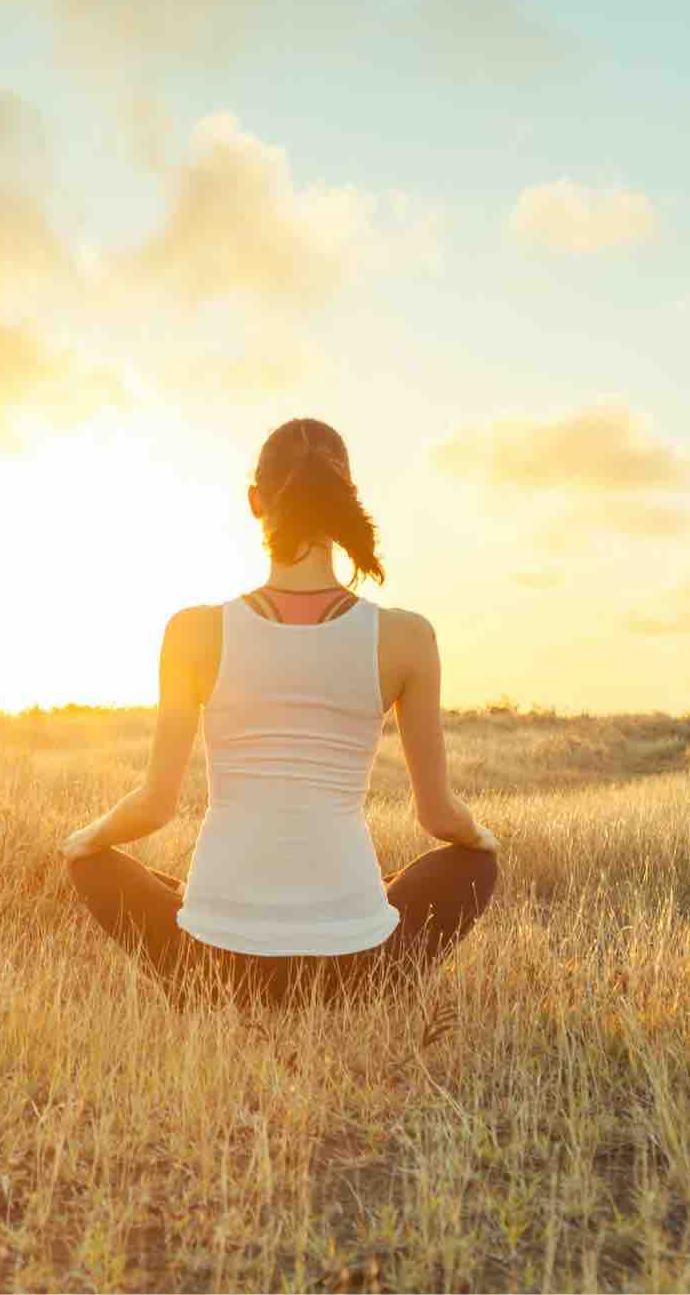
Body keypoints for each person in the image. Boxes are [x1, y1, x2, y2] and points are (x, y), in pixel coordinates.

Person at [60, 417, 500, 1008]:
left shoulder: (193, 631)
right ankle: (362, 974)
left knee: (97, 865)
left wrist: (84, 842)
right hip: (353, 967)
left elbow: (155, 806)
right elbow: (440, 816)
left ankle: (206, 986)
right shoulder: (406, 637)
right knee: (473, 864)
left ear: (254, 502)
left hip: (215, 963)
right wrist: (483, 839)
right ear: (346, 502)